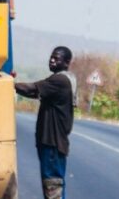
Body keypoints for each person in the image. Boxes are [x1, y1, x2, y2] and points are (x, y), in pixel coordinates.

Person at [15, 46, 76, 199]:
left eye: (57, 58)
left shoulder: (59, 80)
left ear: (67, 62)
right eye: (51, 57)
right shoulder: (66, 79)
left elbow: (31, 89)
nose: (52, 60)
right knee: (56, 184)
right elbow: (36, 93)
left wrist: (9, 83)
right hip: (55, 142)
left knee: (53, 185)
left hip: (52, 142)